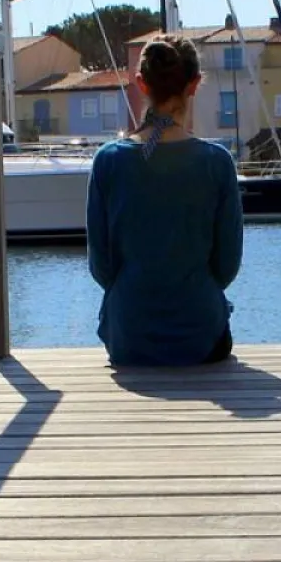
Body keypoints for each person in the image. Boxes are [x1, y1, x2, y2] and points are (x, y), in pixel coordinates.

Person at [86, 36, 243, 366]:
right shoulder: (218, 162)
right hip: (202, 339)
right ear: (195, 84)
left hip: (128, 337)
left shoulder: (108, 160)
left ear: (141, 84)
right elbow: (226, 267)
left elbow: (101, 267)